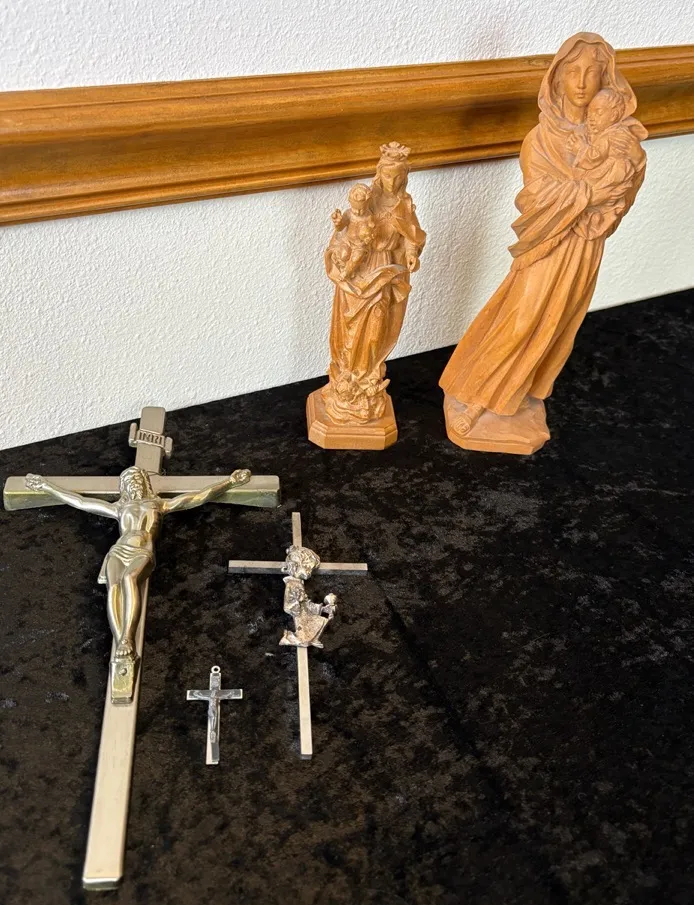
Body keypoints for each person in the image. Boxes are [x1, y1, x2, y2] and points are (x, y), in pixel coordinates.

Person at [439, 34, 647, 449]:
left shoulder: (617, 135)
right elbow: (534, 198)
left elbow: (626, 186)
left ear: (606, 79)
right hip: (547, 241)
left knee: (558, 321)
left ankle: (513, 394)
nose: (582, 82)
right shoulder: (541, 139)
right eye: (573, 71)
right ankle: (474, 393)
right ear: (556, 78)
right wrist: (590, 192)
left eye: (592, 72)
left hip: (585, 245)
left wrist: (616, 180)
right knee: (523, 314)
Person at [25, 466, 250, 701]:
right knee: (113, 588)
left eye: (136, 479)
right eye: (128, 480)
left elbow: (196, 497)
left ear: (144, 482)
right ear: (124, 486)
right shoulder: (119, 507)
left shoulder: (158, 504)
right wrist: (46, 486)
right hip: (118, 551)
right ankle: (121, 640)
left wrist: (230, 482)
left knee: (129, 579)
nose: (133, 483)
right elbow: (81, 502)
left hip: (142, 549)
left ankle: (126, 637)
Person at [323, 141, 426, 423]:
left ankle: (367, 374)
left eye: (398, 177)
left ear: (404, 178)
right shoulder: (366, 200)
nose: (392, 182)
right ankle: (347, 376)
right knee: (349, 326)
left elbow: (411, 236)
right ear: (380, 174)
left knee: (376, 326)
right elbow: (345, 230)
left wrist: (411, 254)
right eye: (387, 176)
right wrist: (339, 231)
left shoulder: (404, 205)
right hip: (358, 274)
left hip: (384, 271)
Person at [330, 184, 376, 280]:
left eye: (362, 209)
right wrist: (338, 223)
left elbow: (372, 232)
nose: (358, 212)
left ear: (367, 203)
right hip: (347, 241)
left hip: (360, 245)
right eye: (355, 209)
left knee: (356, 257)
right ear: (350, 202)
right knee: (344, 255)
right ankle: (348, 271)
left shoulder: (369, 216)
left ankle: (347, 272)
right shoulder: (348, 213)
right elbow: (340, 228)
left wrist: (369, 237)